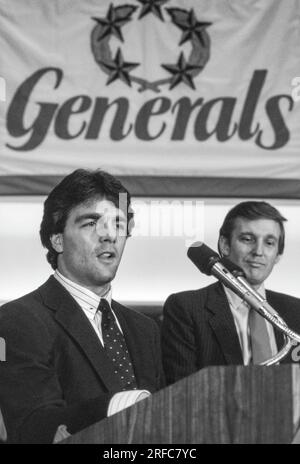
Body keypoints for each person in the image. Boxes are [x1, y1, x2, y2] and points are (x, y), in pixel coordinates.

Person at [0, 169, 164, 443]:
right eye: (91, 223)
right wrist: (118, 406)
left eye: (118, 224)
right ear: (58, 239)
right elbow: (33, 427)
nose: (109, 235)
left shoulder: (145, 329)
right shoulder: (18, 320)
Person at [162, 201, 300, 385]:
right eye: (247, 239)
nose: (258, 251)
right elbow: (181, 390)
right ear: (225, 245)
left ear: (278, 255)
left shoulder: (295, 311)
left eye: (269, 242)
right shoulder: (187, 308)